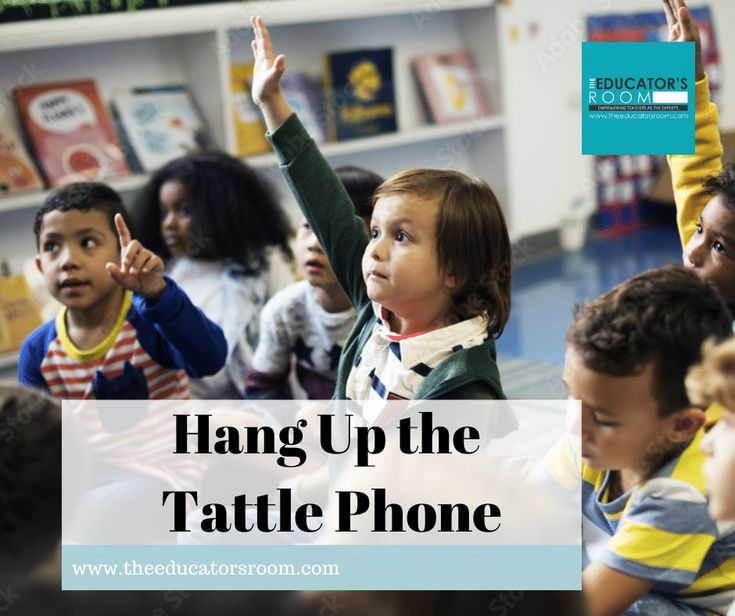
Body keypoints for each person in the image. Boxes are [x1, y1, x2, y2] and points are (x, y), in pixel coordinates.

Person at [249, 16, 511, 413]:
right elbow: (324, 202)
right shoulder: (380, 310)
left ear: (453, 271)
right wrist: (271, 101)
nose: (374, 250)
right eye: (374, 233)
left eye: (401, 237)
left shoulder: (463, 384)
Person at [550, 265, 734, 615]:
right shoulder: (587, 434)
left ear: (681, 426)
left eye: (603, 419)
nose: (575, 427)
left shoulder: (686, 492)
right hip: (619, 574)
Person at [18, 182, 227, 399]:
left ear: (123, 253)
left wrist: (158, 294)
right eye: (51, 246)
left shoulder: (152, 319)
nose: (67, 261)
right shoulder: (37, 351)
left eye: (87, 242)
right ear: (41, 267)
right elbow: (37, 428)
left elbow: (210, 361)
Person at [134, 151, 293, 398]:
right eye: (164, 212)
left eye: (184, 210)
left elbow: (287, 339)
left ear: (220, 210)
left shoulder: (265, 265)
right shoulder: (157, 273)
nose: (169, 223)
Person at [245, 165, 383, 399]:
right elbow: (261, 388)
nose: (314, 243)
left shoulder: (389, 312)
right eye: (308, 226)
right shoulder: (285, 308)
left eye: (334, 231)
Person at [665, 0, 735, 312]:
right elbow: (695, 178)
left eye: (718, 246)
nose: (692, 252)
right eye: (698, 230)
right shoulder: (703, 301)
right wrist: (684, 79)